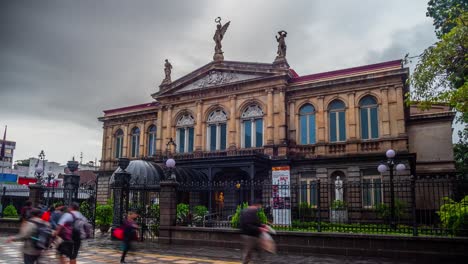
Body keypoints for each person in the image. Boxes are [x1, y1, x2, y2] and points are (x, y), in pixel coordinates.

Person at [239, 200, 268, 264]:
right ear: (257, 205)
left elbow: (254, 222)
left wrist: (261, 225)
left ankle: (262, 261)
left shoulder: (251, 211)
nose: (260, 208)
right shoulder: (249, 212)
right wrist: (260, 228)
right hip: (249, 236)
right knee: (248, 253)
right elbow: (248, 225)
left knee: (260, 251)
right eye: (260, 206)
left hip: (254, 236)